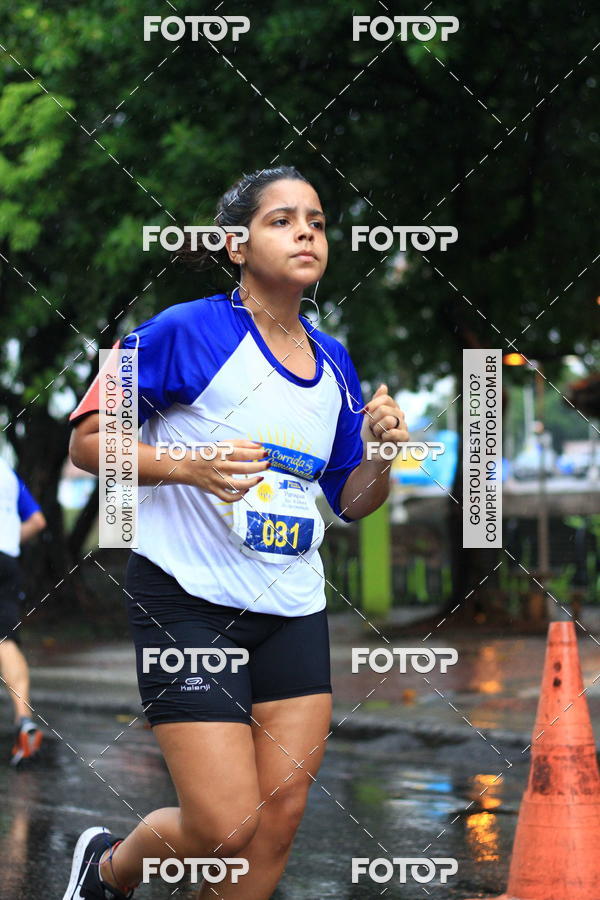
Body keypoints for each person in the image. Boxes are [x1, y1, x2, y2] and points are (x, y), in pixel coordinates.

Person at [65, 165, 409, 899]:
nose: (305, 233)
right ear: (237, 245)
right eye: (281, 220)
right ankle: (107, 869)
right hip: (186, 599)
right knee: (224, 826)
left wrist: (382, 456)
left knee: (277, 821)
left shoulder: (336, 363)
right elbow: (87, 443)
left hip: (292, 607)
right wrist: (187, 465)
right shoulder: (183, 330)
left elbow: (352, 502)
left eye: (316, 222)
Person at [0, 456, 47, 766]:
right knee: (5, 639)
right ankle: (24, 721)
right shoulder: (5, 471)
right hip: (6, 560)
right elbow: (37, 521)